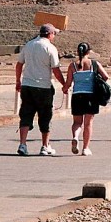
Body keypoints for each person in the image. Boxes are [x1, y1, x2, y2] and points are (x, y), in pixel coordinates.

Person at [15, 23, 66, 156]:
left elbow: (19, 64)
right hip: (43, 87)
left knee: (26, 114)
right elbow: (55, 69)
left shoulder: (29, 45)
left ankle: (22, 144)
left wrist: (18, 81)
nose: (54, 36)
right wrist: (64, 84)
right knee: (45, 116)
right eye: (54, 33)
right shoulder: (50, 48)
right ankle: (45, 146)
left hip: (27, 85)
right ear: (50, 34)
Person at [67, 42, 109, 157]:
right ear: (88, 52)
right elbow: (106, 76)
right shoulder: (94, 64)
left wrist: (64, 89)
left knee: (77, 122)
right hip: (91, 96)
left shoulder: (72, 66)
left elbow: (68, 83)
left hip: (76, 96)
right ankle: (85, 148)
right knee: (88, 123)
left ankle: (75, 137)